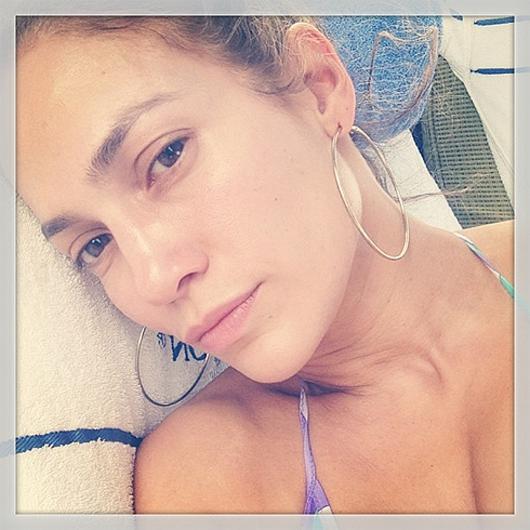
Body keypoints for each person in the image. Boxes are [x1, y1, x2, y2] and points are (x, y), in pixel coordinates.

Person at [16, 15, 514, 515]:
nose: (155, 279)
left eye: (166, 156)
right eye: (96, 244)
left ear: (317, 85)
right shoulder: (216, 478)